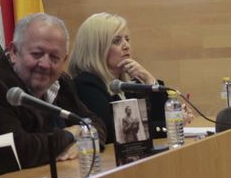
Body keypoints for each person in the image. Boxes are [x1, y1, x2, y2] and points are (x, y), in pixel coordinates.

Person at [0, 13, 93, 169]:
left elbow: (95, 123)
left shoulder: (61, 82)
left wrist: (81, 132)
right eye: (37, 54)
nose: (45, 64)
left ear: (64, 60)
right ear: (13, 52)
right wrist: (71, 134)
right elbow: (21, 151)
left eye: (54, 58)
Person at [69, 12, 171, 145]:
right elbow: (115, 134)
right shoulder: (86, 86)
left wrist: (148, 79)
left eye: (127, 39)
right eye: (117, 41)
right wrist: (165, 127)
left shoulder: (126, 87)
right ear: (97, 48)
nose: (126, 46)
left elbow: (160, 120)